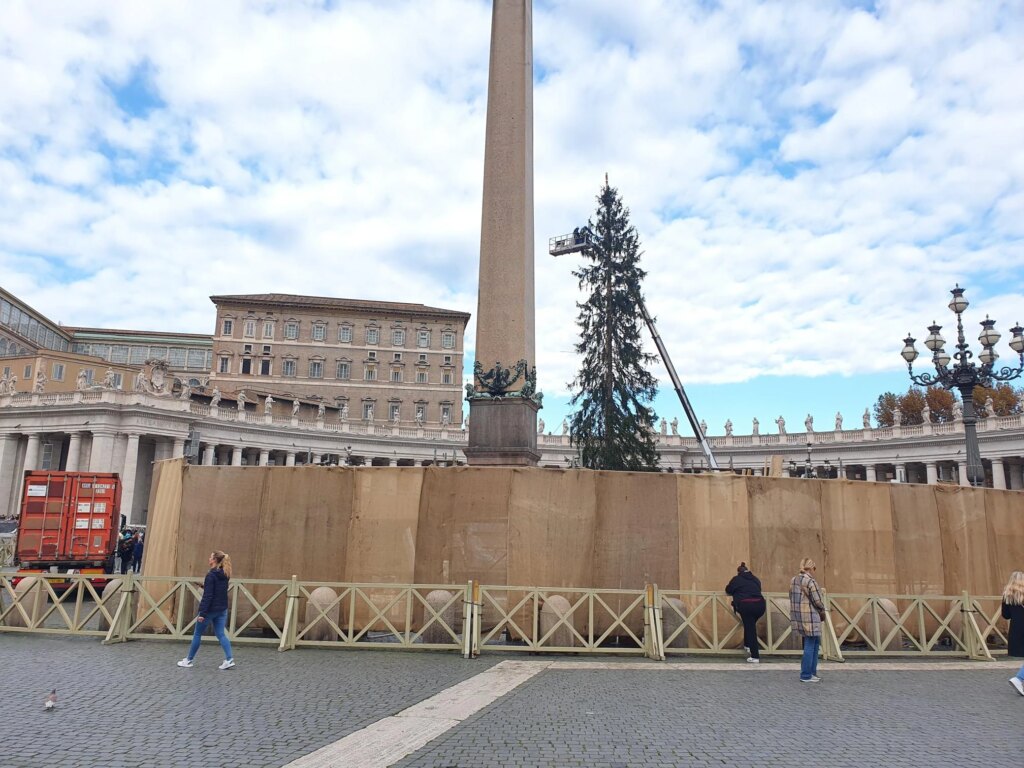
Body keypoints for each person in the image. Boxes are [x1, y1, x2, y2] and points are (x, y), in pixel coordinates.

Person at [177, 551, 235, 670]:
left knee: (197, 634)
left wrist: (202, 613)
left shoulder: (211, 575)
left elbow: (208, 596)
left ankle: (189, 660)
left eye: (210, 557)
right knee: (221, 634)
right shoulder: (225, 574)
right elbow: (220, 590)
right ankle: (229, 659)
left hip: (210, 610)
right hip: (222, 608)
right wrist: (205, 586)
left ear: (214, 560)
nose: (208, 559)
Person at [789, 557, 826, 683]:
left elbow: (791, 596)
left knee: (813, 643)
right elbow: (817, 601)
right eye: (814, 568)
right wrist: (823, 608)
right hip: (810, 616)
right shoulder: (811, 581)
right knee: (811, 645)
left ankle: (811, 673)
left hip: (798, 616)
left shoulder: (794, 580)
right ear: (811, 568)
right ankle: (806, 674)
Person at [725, 562, 766, 663]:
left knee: (750, 628)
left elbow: (728, 590)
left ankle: (755, 656)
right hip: (760, 605)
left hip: (746, 606)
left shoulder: (736, 579)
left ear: (739, 572)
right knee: (750, 625)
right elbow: (758, 589)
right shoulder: (756, 579)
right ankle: (747, 645)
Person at [1001, 571, 1024, 695]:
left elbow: (1006, 615)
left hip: (1016, 629)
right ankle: (1019, 678)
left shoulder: (1007, 596)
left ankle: (1020, 679)